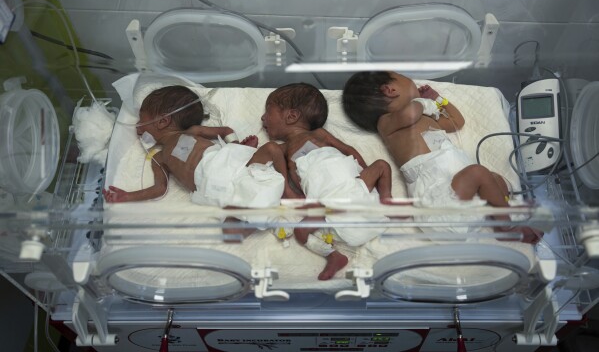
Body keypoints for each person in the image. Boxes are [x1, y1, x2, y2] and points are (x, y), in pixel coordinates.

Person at [342, 71, 541, 244]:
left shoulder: (425, 118)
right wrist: (424, 103)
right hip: (437, 204)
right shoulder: (386, 123)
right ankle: (506, 226)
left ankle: (497, 217)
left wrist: (439, 99)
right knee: (478, 173)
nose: (413, 82)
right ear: (390, 90)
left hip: (460, 197)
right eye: (404, 77)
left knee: (495, 178)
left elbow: (456, 122)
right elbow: (410, 115)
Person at [261, 82, 392, 280]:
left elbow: (348, 150)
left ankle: (387, 200)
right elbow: (284, 182)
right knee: (300, 232)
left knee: (381, 165)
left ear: (291, 116)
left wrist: (362, 171)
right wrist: (298, 200)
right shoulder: (281, 150)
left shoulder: (319, 134)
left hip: (352, 186)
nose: (262, 118)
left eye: (267, 112)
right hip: (327, 204)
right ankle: (333, 256)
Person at [103, 86, 300, 213]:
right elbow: (159, 189)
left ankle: (287, 189)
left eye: (141, 121)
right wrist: (127, 196)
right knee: (245, 206)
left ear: (162, 121)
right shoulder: (159, 157)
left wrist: (234, 145)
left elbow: (225, 130)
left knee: (274, 148)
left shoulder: (192, 132)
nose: (137, 127)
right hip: (212, 188)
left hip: (229, 163)